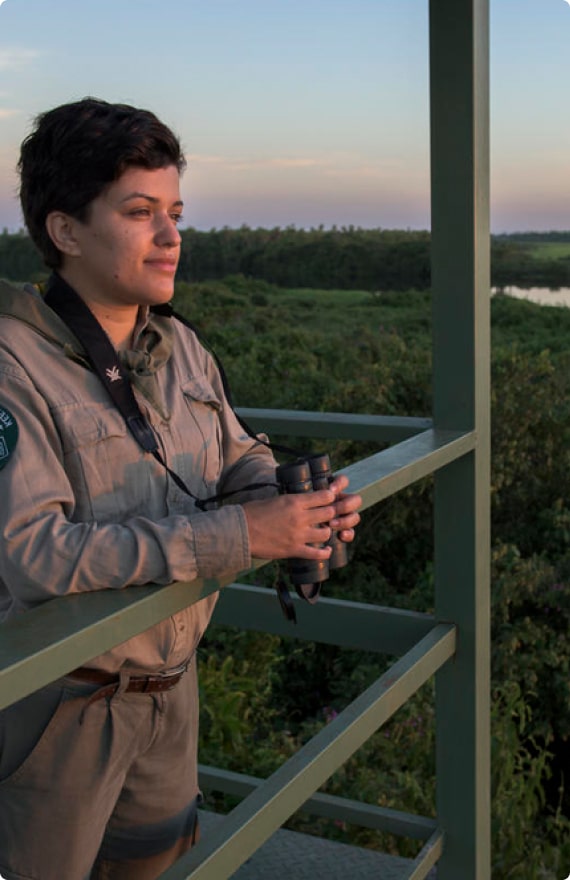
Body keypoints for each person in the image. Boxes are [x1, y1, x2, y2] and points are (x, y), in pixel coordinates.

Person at [0, 97, 362, 880]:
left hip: (172, 692)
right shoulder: (13, 363)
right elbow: (32, 556)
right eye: (140, 213)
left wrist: (291, 504)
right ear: (65, 231)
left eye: (175, 212)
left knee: (158, 861)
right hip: (60, 709)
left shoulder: (179, 343)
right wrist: (243, 537)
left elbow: (237, 458)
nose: (172, 238)